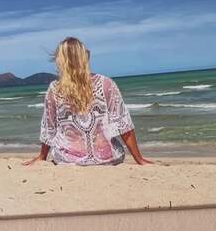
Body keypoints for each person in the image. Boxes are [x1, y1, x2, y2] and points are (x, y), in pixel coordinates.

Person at [23, 37, 152, 166]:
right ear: (85, 57)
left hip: (67, 159)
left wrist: (42, 156)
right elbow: (123, 124)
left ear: (60, 61)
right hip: (106, 158)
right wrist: (139, 159)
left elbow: (49, 128)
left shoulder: (55, 90)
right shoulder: (106, 84)